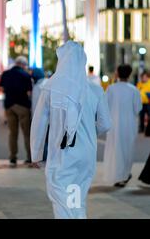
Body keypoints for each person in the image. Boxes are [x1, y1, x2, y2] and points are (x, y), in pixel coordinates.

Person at [31, 41, 112, 219]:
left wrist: (36, 154)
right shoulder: (95, 90)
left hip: (63, 155)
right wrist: (89, 133)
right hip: (85, 155)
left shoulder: (50, 88)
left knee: (61, 197)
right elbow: (106, 124)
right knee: (76, 199)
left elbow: (39, 123)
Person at [103, 65, 141, 187]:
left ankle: (117, 175)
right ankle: (124, 174)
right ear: (129, 75)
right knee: (127, 150)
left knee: (115, 149)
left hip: (114, 124)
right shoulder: (134, 90)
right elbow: (138, 108)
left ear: (117, 74)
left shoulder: (111, 89)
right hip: (130, 125)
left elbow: (105, 106)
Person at [0, 56, 33, 167]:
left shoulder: (6, 74)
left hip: (9, 105)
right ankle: (30, 157)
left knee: (12, 133)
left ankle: (13, 157)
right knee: (27, 134)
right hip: (22, 106)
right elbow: (29, 91)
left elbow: (2, 88)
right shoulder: (26, 75)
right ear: (23, 65)